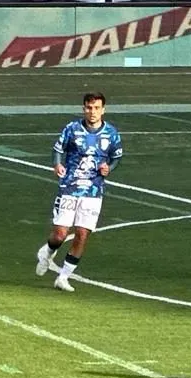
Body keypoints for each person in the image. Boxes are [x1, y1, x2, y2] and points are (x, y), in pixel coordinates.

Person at [34, 92, 123, 292]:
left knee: (82, 235)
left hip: (93, 191)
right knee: (60, 235)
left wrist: (109, 168)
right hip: (69, 188)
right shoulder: (72, 129)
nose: (93, 112)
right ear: (84, 109)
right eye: (89, 108)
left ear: (103, 110)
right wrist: (57, 165)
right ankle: (47, 251)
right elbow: (58, 149)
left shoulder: (111, 133)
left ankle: (63, 277)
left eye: (97, 108)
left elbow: (117, 156)